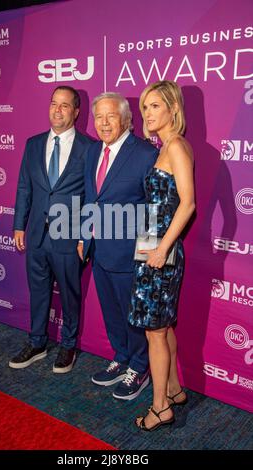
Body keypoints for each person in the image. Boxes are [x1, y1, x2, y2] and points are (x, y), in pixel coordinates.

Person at [78, 92, 159, 400]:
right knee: (112, 311)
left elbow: (155, 207)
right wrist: (85, 236)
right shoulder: (92, 152)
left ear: (127, 119)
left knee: (132, 313)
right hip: (98, 250)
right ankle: (121, 357)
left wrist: (147, 253)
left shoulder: (144, 154)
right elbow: (90, 198)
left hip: (131, 254)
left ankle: (139, 367)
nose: (104, 122)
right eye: (99, 116)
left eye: (111, 116)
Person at [9, 86, 93, 373]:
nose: (57, 110)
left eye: (65, 106)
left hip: (69, 237)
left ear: (76, 111)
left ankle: (68, 345)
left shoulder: (89, 148)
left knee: (70, 294)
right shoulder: (33, 144)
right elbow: (24, 187)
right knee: (38, 291)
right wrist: (19, 224)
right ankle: (37, 342)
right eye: (54, 104)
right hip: (35, 235)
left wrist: (86, 235)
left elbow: (92, 197)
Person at [129, 80, 195, 430]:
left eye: (155, 106)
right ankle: (173, 389)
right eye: (145, 107)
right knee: (162, 326)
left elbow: (188, 203)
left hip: (161, 250)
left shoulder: (177, 147)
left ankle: (160, 409)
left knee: (155, 332)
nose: (148, 113)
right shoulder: (165, 147)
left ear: (173, 109)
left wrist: (162, 248)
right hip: (151, 244)